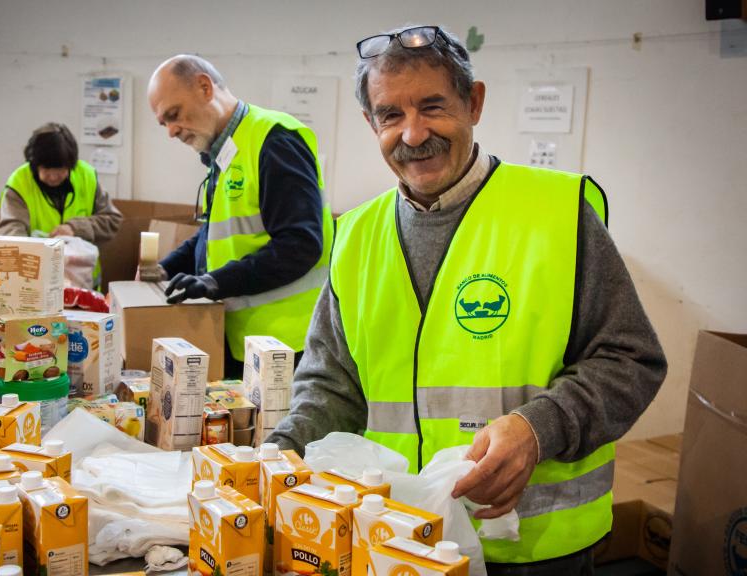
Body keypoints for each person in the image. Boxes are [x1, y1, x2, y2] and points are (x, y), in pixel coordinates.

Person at [266, 25, 667, 574]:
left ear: (473, 103)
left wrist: (537, 429)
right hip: (393, 535)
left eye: (432, 107)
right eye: (390, 115)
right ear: (371, 123)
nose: (413, 134)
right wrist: (274, 458)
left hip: (532, 547)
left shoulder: (557, 213)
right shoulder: (356, 233)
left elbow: (632, 360)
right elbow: (331, 384)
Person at [145, 55, 334, 376]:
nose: (171, 132)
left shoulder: (274, 140)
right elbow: (214, 233)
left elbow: (300, 245)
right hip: (247, 340)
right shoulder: (225, 152)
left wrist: (215, 281)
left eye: (173, 115)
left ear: (205, 87)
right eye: (164, 123)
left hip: (289, 345)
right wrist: (165, 268)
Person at [0, 122, 122, 286]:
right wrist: (35, 257)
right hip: (35, 282)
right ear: (34, 165)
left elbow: (112, 220)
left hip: (82, 282)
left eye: (60, 170)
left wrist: (75, 228)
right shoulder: (19, 184)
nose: (53, 177)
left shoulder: (86, 176)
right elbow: (11, 232)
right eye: (46, 170)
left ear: (71, 165)